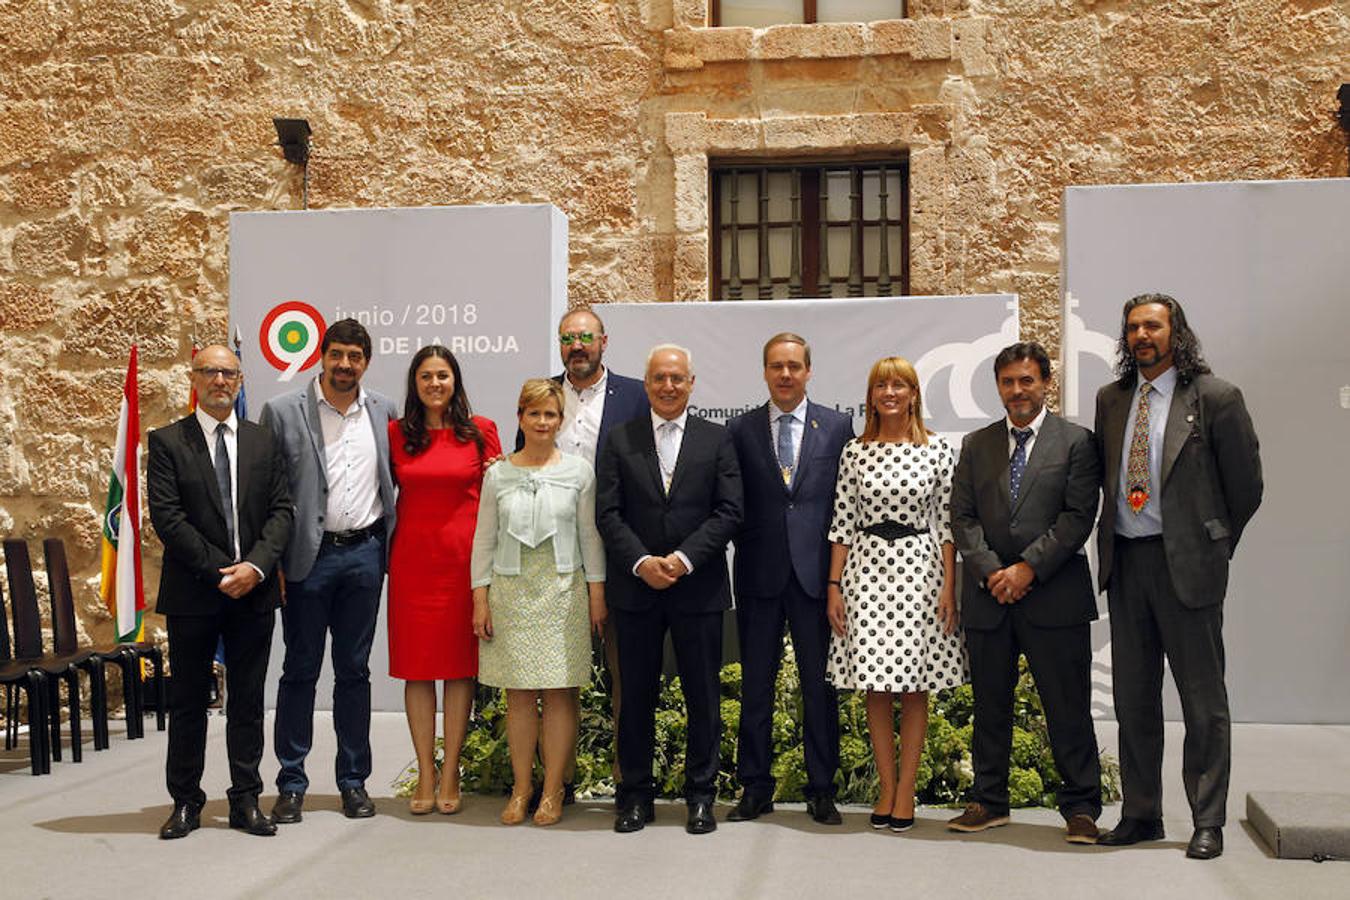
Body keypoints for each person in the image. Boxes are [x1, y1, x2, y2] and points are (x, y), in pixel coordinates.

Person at [1094, 293, 1262, 860]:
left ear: (1176, 333)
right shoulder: (1112, 400)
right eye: (1134, 327)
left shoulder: (1216, 397)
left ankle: (1207, 819)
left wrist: (1213, 542)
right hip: (1128, 564)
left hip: (1188, 565)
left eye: (1153, 326)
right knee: (1134, 699)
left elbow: (1246, 486)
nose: (1143, 335)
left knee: (1201, 701)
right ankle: (1141, 814)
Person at [947, 342, 1103, 843]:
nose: (1017, 391)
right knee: (991, 706)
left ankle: (1080, 808)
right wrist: (995, 571)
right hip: (990, 598)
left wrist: (1027, 569)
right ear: (998, 386)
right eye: (1008, 382)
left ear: (1045, 383)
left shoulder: (1077, 442)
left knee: (1068, 707)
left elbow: (1078, 517)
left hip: (1054, 597)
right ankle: (989, 801)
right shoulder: (977, 444)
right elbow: (962, 517)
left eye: (1026, 381)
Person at [597, 344, 743, 835]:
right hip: (635, 590)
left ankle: (701, 796)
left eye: (677, 378)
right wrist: (641, 562)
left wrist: (681, 560)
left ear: (692, 383)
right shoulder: (620, 439)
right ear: (647, 384)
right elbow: (608, 513)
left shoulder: (716, 439)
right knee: (635, 697)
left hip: (696, 588)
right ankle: (635, 796)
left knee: (702, 697)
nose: (668, 386)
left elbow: (728, 511)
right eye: (659, 378)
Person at [148, 344, 292, 839]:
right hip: (194, 592)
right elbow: (168, 518)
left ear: (241, 380)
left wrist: (253, 568)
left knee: (248, 701)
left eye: (228, 373)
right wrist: (221, 572)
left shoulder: (264, 441)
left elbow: (282, 512)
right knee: (188, 700)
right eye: (209, 371)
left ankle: (246, 799)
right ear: (193, 378)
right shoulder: (167, 442)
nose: (219, 381)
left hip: (253, 592)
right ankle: (185, 802)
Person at [259, 318, 399, 823]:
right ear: (321, 355)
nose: (345, 365)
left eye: (355, 357)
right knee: (299, 671)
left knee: (354, 672)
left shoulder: (384, 411)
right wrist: (269, 560)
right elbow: (267, 492)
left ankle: (353, 782)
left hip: (364, 555)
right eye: (337, 355)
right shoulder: (281, 412)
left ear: (367, 361)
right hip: (306, 560)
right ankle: (292, 783)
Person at [513, 304, 648, 806]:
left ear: (604, 342)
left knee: (623, 674)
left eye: (586, 337)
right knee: (556, 673)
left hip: (620, 557)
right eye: (568, 338)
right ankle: (556, 783)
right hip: (550, 563)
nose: (577, 347)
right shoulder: (543, 395)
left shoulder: (635, 396)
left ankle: (624, 782)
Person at [825, 355, 963, 833]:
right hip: (865, 572)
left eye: (898, 385)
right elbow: (841, 523)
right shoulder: (854, 451)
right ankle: (886, 788)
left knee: (913, 686)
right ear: (871, 396)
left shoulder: (939, 450)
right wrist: (834, 587)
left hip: (920, 572)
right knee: (876, 686)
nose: (889, 392)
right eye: (881, 384)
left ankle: (907, 793)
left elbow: (947, 525)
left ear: (913, 394)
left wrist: (950, 586)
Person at [725, 333, 853, 826]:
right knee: (756, 687)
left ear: (808, 371)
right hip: (759, 576)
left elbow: (844, 502)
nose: (785, 374)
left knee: (818, 689)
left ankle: (822, 789)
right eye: (776, 366)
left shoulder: (838, 426)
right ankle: (755, 788)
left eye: (794, 366)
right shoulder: (740, 429)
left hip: (817, 578)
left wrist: (839, 580)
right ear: (764, 371)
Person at [472, 378, 606, 826]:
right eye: (534, 414)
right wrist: (480, 598)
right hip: (511, 592)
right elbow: (483, 540)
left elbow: (590, 536)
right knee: (520, 695)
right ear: (520, 418)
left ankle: (553, 791)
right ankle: (521, 788)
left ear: (560, 420)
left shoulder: (579, 471)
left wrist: (597, 594)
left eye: (551, 414)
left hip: (564, 591)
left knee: (559, 691)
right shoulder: (498, 473)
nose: (543, 422)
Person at [387, 345, 501, 815]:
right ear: (415, 384)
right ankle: (425, 774)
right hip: (413, 565)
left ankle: (451, 770)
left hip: (465, 566)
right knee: (417, 670)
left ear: (456, 381)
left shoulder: (483, 432)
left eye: (443, 375)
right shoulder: (394, 433)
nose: (435, 384)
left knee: (458, 669)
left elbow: (498, 500)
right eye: (426, 376)